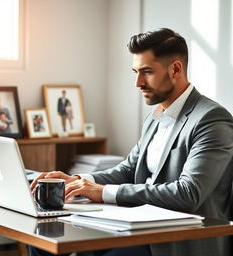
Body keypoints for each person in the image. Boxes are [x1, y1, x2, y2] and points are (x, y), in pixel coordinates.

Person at [30, 28, 233, 256]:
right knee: (43, 241)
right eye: (136, 72)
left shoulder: (211, 119)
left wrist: (104, 191)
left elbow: (188, 194)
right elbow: (128, 169)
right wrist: (79, 181)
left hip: (177, 239)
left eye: (146, 72)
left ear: (175, 69)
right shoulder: (155, 117)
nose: (138, 82)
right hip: (137, 224)